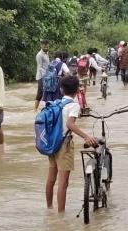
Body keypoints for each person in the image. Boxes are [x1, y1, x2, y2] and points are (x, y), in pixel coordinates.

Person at [45, 75, 98, 212]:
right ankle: (60, 215)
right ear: (77, 90)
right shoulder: (74, 105)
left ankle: (49, 208)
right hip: (64, 145)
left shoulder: (56, 103)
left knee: (51, 179)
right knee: (63, 182)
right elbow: (69, 124)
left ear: (61, 90)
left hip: (52, 144)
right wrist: (86, 136)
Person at [35, 39, 50, 111]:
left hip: (47, 76)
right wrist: (45, 77)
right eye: (45, 47)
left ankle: (47, 107)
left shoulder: (47, 53)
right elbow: (40, 67)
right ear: (41, 46)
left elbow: (47, 65)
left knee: (47, 91)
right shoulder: (39, 55)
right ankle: (35, 109)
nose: (46, 48)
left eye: (47, 47)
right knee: (40, 92)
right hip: (41, 76)